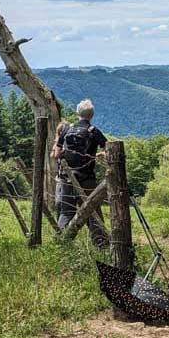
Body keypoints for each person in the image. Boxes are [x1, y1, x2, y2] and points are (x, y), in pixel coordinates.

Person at [55, 100, 109, 247]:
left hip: (67, 178)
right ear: (92, 115)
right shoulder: (93, 131)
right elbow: (109, 149)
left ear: (77, 113)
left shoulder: (67, 129)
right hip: (87, 179)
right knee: (93, 212)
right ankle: (101, 245)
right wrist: (100, 155)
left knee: (66, 212)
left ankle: (62, 244)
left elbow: (57, 152)